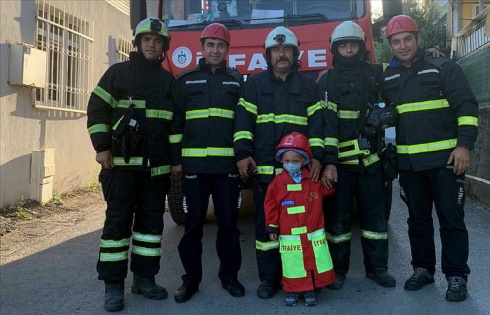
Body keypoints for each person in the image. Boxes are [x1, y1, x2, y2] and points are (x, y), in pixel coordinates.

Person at [382, 15, 478, 302]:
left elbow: (467, 107)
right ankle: (422, 268)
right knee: (417, 221)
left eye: (408, 39)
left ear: (419, 39)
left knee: (451, 219)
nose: (403, 46)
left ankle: (457, 276)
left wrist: (465, 146)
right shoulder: (387, 77)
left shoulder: (444, 68)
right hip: (410, 166)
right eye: (396, 42)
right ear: (390, 45)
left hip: (446, 163)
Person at [86, 17, 174, 312]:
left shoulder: (167, 82)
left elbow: (174, 126)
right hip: (121, 168)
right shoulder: (118, 74)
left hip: (156, 170)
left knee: (151, 227)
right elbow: (97, 109)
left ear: (163, 47)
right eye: (147, 39)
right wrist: (101, 147)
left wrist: (174, 162)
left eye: (158, 41)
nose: (152, 44)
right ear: (137, 43)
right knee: (117, 225)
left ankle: (144, 279)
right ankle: (113, 286)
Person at [233, 26, 324, 299]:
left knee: (303, 229)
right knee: (267, 228)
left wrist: (317, 157)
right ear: (267, 55)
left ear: (295, 54)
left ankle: (304, 279)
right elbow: (243, 124)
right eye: (276, 50)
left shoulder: (309, 87)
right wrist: (242, 153)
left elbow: (317, 126)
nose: (281, 55)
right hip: (265, 172)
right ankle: (268, 279)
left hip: (300, 174)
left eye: (286, 50)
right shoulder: (253, 85)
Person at [317, 21, 396, 290]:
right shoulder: (326, 79)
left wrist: (431, 56)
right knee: (337, 224)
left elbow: (404, 82)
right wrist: (329, 163)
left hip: (372, 162)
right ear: (335, 49)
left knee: (375, 221)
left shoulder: (378, 73)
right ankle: (338, 271)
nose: (349, 50)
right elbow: (326, 124)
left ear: (362, 48)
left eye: (353, 45)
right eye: (343, 46)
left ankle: (377, 269)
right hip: (340, 165)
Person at [170, 23, 245, 303]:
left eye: (221, 45)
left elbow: (242, 124)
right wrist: (176, 160)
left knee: (228, 226)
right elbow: (176, 122)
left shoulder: (237, 82)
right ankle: (190, 281)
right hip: (194, 170)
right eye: (210, 45)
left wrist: (240, 159)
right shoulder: (185, 80)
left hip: (227, 170)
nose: (215, 50)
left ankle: (230, 277)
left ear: (227, 50)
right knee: (193, 227)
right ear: (201, 48)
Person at [264, 132, 335, 307]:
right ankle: (291, 291)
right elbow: (270, 204)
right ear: (281, 160)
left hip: (311, 234)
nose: (290, 164)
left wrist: (329, 181)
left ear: (303, 161)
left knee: (311, 262)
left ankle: (310, 289)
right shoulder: (277, 182)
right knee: (292, 264)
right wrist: (272, 226)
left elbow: (325, 191)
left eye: (295, 161)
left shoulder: (312, 180)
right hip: (290, 236)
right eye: (286, 161)